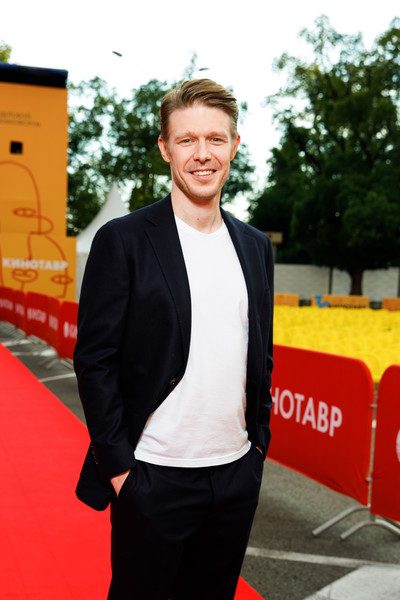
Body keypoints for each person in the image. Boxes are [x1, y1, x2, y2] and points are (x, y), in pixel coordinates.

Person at [74, 78, 274, 600]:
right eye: (187, 140)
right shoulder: (123, 240)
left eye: (215, 139)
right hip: (152, 476)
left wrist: (258, 447)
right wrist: (121, 470)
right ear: (165, 148)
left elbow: (261, 353)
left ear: (234, 145)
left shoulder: (255, 246)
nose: (202, 154)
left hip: (235, 475)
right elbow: (94, 360)